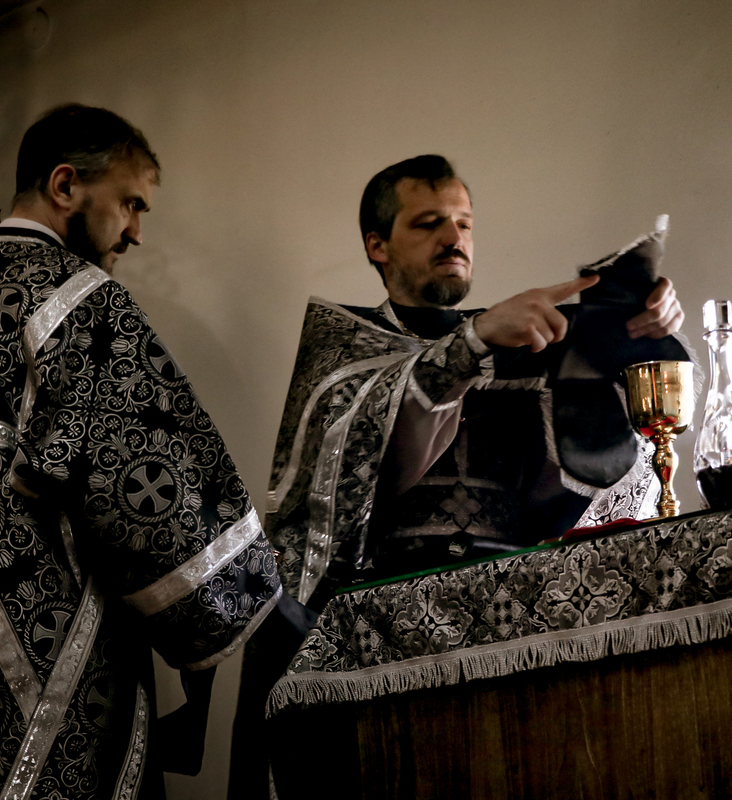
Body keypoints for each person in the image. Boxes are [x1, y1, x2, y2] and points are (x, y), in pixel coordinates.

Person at [230, 154, 692, 798]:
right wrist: (469, 346)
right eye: (428, 224)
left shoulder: (524, 338)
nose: (454, 238)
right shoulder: (343, 345)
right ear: (378, 245)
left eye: (464, 223)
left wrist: (642, 331)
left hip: (514, 629)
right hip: (381, 639)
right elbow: (344, 459)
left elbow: (605, 459)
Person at [0, 104, 283, 799]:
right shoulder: (79, 302)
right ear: (66, 185)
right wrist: (257, 599)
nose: (135, 231)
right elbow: (152, 503)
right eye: (130, 204)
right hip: (56, 678)